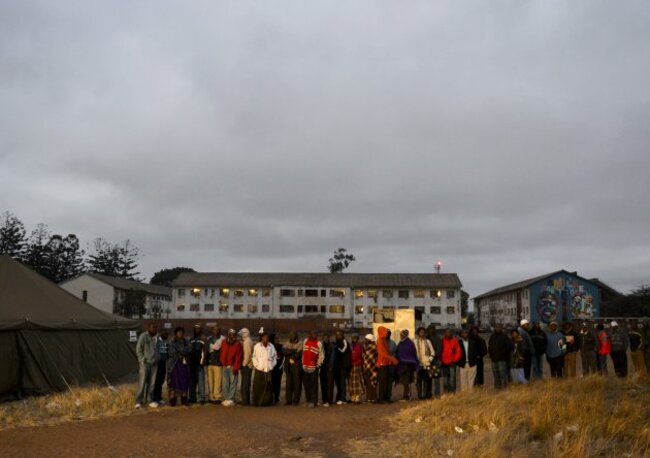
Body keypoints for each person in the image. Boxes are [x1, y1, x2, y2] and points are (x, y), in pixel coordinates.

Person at [135, 323, 159, 409]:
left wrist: (158, 358)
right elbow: (138, 348)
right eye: (153, 328)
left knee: (152, 383)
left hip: (154, 364)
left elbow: (159, 348)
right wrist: (142, 359)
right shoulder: (143, 336)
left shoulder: (157, 337)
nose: (154, 329)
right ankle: (138, 401)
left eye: (155, 328)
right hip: (145, 364)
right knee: (142, 382)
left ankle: (150, 400)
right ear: (148, 328)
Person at [251, 332, 277, 406]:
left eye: (267, 337)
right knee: (258, 387)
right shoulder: (257, 346)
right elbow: (254, 357)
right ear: (262, 338)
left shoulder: (271, 346)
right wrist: (257, 365)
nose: (266, 338)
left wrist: (272, 365)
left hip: (268, 370)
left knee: (268, 387)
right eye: (264, 337)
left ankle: (267, 402)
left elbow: (274, 357)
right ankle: (256, 402)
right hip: (259, 370)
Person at [167, 326, 191, 407]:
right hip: (174, 365)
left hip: (184, 365)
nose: (180, 334)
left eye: (181, 332)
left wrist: (179, 351)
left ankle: (184, 398)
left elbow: (189, 349)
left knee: (184, 381)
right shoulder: (172, 341)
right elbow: (171, 351)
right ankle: (172, 399)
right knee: (174, 382)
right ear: (176, 333)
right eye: (179, 332)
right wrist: (182, 351)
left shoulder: (186, 341)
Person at [219, 329, 242, 407]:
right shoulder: (224, 342)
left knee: (233, 383)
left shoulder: (238, 344)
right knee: (225, 383)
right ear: (228, 335)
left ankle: (230, 399)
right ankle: (226, 398)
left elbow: (238, 357)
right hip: (225, 366)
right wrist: (223, 363)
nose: (232, 336)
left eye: (234, 334)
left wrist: (236, 367)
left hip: (233, 366)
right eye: (231, 334)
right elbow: (222, 353)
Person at [301, 330, 324, 408]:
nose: (315, 335)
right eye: (313, 333)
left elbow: (321, 356)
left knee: (313, 385)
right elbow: (303, 353)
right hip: (305, 367)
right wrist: (302, 363)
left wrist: (318, 365)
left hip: (313, 368)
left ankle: (314, 401)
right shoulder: (305, 341)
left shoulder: (319, 343)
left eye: (316, 334)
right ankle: (308, 400)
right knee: (306, 385)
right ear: (310, 334)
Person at [376, 326, 398, 403]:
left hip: (387, 363)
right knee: (382, 382)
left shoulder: (384, 340)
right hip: (382, 363)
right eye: (385, 332)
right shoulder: (380, 341)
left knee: (387, 382)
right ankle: (382, 399)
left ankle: (386, 398)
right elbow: (382, 353)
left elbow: (388, 352)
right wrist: (393, 359)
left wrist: (392, 360)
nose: (386, 333)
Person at [395, 329, 418, 401]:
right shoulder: (401, 343)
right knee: (404, 382)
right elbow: (397, 352)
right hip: (402, 365)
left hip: (408, 365)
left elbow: (412, 353)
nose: (401, 336)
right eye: (400, 335)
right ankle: (406, 395)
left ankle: (406, 396)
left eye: (402, 335)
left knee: (406, 382)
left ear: (405, 335)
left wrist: (404, 359)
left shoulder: (409, 343)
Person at [188, 324, 207, 404]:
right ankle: (192, 397)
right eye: (195, 329)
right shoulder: (191, 339)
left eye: (198, 329)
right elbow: (189, 350)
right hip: (192, 363)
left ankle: (202, 398)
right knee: (192, 382)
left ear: (201, 330)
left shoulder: (203, 338)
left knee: (201, 382)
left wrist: (203, 361)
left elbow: (205, 351)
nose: (197, 330)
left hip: (200, 363)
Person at [283, 332, 303, 406]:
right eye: (291, 335)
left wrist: (289, 354)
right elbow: (284, 352)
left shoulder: (300, 344)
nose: (292, 336)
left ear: (296, 336)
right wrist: (293, 351)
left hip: (297, 366)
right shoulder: (286, 343)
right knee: (288, 384)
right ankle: (288, 400)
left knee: (297, 384)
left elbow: (298, 355)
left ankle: (296, 400)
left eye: (294, 335)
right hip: (288, 366)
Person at [415, 327, 435, 399]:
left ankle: (427, 395)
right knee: (419, 380)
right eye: (421, 332)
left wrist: (429, 359)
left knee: (428, 380)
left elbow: (433, 352)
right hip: (418, 364)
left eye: (423, 332)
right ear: (418, 333)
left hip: (427, 364)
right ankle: (420, 396)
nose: (422, 333)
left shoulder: (428, 341)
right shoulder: (415, 342)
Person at [332, 331, 351, 405]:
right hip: (337, 366)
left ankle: (343, 399)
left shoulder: (344, 341)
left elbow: (343, 350)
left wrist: (336, 347)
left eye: (339, 335)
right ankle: (338, 398)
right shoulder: (336, 342)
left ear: (342, 335)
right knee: (338, 383)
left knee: (342, 383)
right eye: (337, 335)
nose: (338, 336)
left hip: (344, 366)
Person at [488, 324, 510, 389]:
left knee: (502, 375)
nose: (498, 328)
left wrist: (503, 353)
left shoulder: (504, 336)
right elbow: (489, 346)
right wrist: (491, 354)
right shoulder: (492, 336)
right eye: (497, 327)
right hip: (493, 359)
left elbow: (508, 347)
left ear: (501, 328)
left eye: (499, 327)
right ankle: (497, 388)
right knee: (495, 375)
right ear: (495, 328)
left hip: (502, 359)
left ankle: (504, 388)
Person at [440, 328, 461, 393]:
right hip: (444, 363)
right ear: (445, 333)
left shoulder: (454, 340)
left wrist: (454, 360)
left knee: (452, 378)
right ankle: (446, 392)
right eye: (447, 332)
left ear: (451, 333)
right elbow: (439, 350)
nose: (448, 333)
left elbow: (458, 351)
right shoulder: (442, 341)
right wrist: (441, 360)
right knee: (445, 379)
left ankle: (452, 393)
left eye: (449, 332)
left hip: (452, 362)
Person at [206, 326, 225, 404]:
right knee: (210, 381)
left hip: (218, 363)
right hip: (209, 362)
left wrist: (208, 344)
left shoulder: (222, 338)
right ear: (212, 331)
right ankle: (211, 397)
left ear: (219, 331)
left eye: (217, 330)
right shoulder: (209, 338)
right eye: (214, 330)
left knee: (218, 381)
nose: (216, 331)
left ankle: (217, 397)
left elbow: (217, 347)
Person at [152, 330, 169, 405]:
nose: (166, 335)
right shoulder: (157, 341)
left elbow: (167, 351)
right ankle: (154, 398)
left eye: (167, 334)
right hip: (157, 363)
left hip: (163, 363)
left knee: (161, 380)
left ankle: (159, 397)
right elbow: (155, 351)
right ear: (161, 333)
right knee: (156, 381)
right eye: (165, 334)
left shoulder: (166, 341)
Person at [239, 328, 254, 406]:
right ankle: (245, 400)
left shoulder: (247, 342)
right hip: (248, 365)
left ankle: (245, 401)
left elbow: (247, 355)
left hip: (246, 366)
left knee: (245, 384)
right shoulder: (248, 341)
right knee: (246, 384)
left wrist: (243, 364)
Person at [427, 325, 443, 397]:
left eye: (432, 329)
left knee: (436, 378)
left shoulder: (437, 338)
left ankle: (437, 394)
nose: (431, 330)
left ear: (434, 330)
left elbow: (439, 350)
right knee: (428, 378)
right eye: (430, 329)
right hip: (427, 361)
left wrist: (432, 357)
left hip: (435, 361)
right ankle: (429, 393)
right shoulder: (426, 337)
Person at [362, 334, 378, 403]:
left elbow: (373, 358)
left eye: (366, 340)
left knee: (373, 383)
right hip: (366, 367)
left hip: (373, 368)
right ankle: (368, 398)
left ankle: (374, 398)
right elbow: (364, 357)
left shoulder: (374, 347)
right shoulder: (365, 347)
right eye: (365, 339)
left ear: (370, 340)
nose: (365, 341)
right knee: (368, 384)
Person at [269, 334, 284, 405]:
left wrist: (280, 367)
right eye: (276, 338)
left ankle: (276, 398)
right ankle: (270, 398)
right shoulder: (269, 348)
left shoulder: (281, 347)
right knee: (271, 383)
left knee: (277, 384)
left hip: (278, 368)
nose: (278, 340)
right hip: (271, 369)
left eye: (278, 338)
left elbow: (283, 358)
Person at [349, 335, 364, 403]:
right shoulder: (351, 346)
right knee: (352, 382)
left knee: (357, 382)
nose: (354, 339)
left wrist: (350, 357)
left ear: (357, 339)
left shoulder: (359, 346)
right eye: (353, 338)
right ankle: (353, 396)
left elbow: (355, 356)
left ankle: (357, 396)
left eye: (355, 338)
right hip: (351, 366)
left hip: (356, 365)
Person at [320, 333, 334, 406]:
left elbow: (333, 356)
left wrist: (331, 366)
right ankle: (324, 400)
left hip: (329, 367)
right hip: (322, 367)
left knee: (329, 385)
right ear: (323, 338)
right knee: (323, 384)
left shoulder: (332, 346)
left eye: (327, 337)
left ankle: (329, 400)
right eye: (324, 337)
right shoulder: (320, 345)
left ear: (329, 338)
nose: (326, 339)